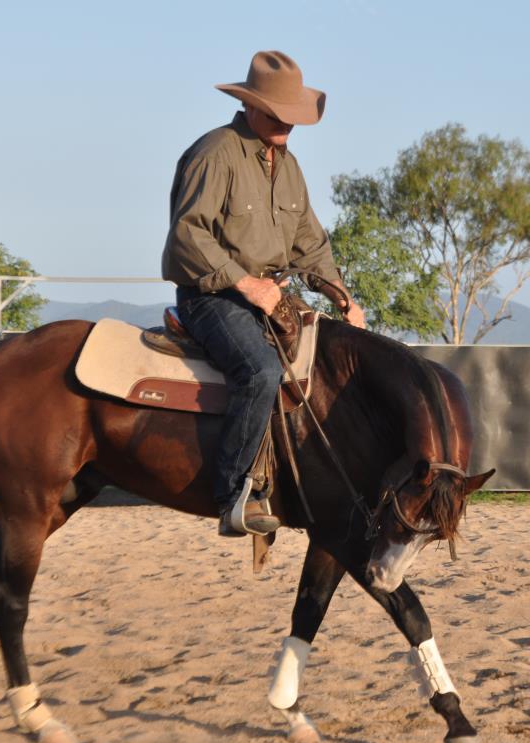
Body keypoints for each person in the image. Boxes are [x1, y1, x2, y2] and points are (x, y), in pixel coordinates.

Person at [162, 50, 365, 538]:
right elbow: (188, 235)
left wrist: (342, 297)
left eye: (292, 116)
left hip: (271, 295)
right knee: (260, 370)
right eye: (277, 113)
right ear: (250, 106)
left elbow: (310, 244)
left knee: (331, 361)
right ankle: (236, 493)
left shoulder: (289, 167)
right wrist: (247, 284)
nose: (287, 124)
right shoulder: (215, 153)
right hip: (212, 297)